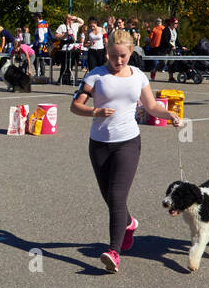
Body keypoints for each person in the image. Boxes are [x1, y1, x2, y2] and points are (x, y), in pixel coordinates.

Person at [71, 30, 181, 273]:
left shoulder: (138, 76)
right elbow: (75, 106)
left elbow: (151, 106)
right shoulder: (95, 76)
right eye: (113, 56)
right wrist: (94, 112)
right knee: (110, 198)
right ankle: (128, 223)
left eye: (123, 56)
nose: (118, 61)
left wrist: (169, 114)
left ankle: (113, 252)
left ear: (131, 52)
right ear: (106, 52)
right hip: (99, 144)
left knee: (118, 196)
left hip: (128, 142)